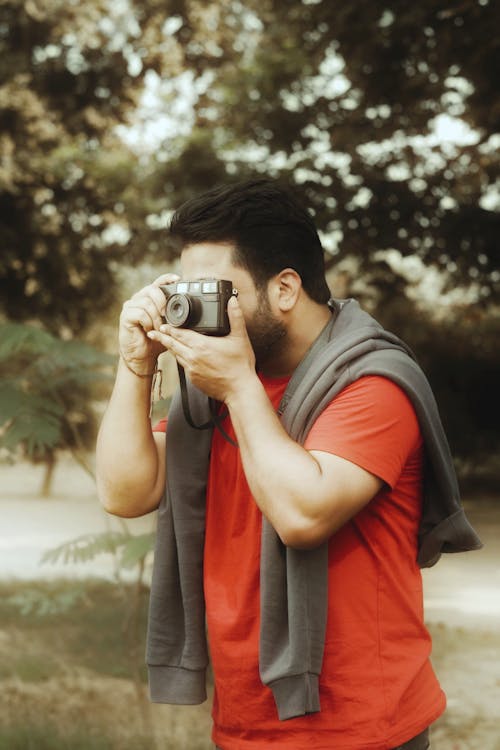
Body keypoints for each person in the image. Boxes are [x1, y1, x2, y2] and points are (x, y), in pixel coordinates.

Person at [96, 179, 481, 750]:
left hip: (361, 728)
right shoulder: (214, 384)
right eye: (189, 288)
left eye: (216, 290)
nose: (197, 307)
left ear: (284, 289)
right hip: (244, 721)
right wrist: (134, 365)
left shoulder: (371, 383)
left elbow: (302, 516)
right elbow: (125, 494)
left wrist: (238, 385)